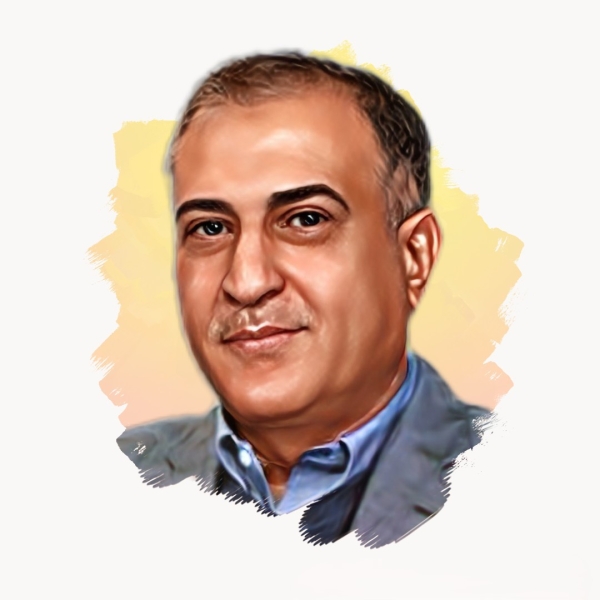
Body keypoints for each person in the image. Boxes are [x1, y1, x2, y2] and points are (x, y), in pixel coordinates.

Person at [117, 52, 491, 548]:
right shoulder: (110, 478)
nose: (247, 282)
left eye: (306, 220)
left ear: (413, 257)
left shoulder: (520, 485)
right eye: (210, 228)